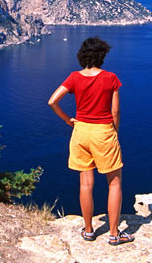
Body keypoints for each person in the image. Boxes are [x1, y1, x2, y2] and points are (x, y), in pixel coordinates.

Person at [48, 37, 134, 246]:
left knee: (85, 184)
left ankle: (88, 231)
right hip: (103, 132)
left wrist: (68, 120)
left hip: (81, 132)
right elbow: (115, 111)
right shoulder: (111, 78)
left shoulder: (74, 77)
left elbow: (52, 101)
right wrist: (114, 132)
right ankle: (114, 234)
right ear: (102, 55)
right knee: (114, 184)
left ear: (82, 55)